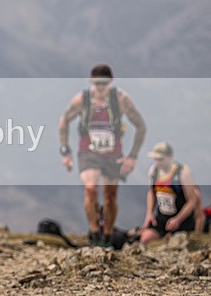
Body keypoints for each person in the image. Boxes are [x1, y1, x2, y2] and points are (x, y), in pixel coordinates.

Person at [58, 64, 146, 247]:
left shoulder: (121, 100)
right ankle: (95, 232)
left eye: (104, 83)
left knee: (110, 196)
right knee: (90, 189)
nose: (100, 87)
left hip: (112, 154)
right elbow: (64, 119)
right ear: (91, 82)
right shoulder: (82, 99)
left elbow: (141, 125)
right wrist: (65, 151)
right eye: (97, 83)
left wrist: (132, 156)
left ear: (111, 82)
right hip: (88, 152)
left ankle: (107, 235)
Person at [140, 142, 203, 244]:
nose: (158, 162)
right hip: (162, 216)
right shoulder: (153, 171)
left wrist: (178, 219)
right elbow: (151, 193)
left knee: (174, 243)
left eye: (161, 159)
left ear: (170, 156)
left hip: (182, 218)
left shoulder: (183, 173)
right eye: (155, 159)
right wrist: (149, 213)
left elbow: (192, 200)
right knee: (145, 238)